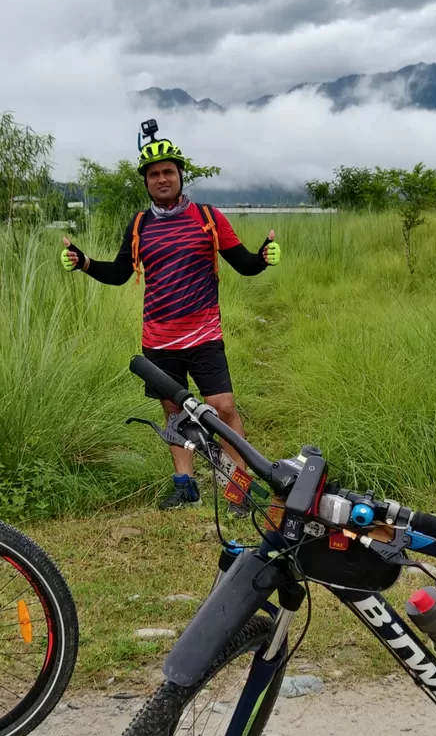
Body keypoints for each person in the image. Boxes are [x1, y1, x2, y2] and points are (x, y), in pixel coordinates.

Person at [60, 134, 281, 509]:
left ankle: (240, 486)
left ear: (180, 176)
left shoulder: (208, 218)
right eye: (153, 175)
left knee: (222, 406)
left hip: (204, 333)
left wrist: (263, 256)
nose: (162, 179)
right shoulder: (140, 224)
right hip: (159, 339)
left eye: (168, 172)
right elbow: (118, 273)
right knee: (174, 414)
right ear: (146, 183)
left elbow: (243, 263)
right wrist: (84, 263)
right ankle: (185, 485)